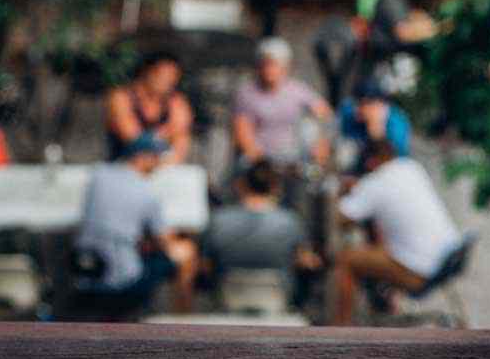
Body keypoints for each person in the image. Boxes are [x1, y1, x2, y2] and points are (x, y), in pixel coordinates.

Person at [71, 132, 198, 319]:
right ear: (142, 157)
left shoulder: (98, 175)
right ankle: (184, 320)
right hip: (122, 282)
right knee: (186, 252)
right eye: (157, 158)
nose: (159, 164)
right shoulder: (146, 193)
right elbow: (164, 242)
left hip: (83, 270)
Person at [333, 138, 461, 324]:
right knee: (378, 250)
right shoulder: (410, 167)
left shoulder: (374, 184)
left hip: (420, 269)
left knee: (346, 260)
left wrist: (352, 189)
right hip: (446, 259)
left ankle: (339, 331)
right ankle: (381, 307)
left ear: (370, 162)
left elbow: (342, 217)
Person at [204, 158, 321, 302]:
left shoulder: (218, 220)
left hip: (227, 294)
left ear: (241, 185)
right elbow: (306, 260)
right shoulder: (290, 222)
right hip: (279, 295)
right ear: (276, 187)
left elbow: (204, 264)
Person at [232, 37, 332, 167]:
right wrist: (261, 162)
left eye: (274, 64)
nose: (269, 69)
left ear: (285, 66)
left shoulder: (298, 91)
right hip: (261, 159)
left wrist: (321, 143)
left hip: (294, 158)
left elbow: (325, 115)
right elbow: (243, 132)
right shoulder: (247, 94)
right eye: (265, 63)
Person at [105, 50, 193, 164]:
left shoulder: (176, 102)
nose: (167, 82)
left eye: (172, 78)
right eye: (163, 76)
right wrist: (168, 133)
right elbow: (133, 138)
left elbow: (181, 140)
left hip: (161, 167)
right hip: (122, 167)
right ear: (147, 72)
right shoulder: (121, 97)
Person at [337, 78, 410, 170]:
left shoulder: (396, 124)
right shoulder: (349, 112)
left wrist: (376, 131)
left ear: (378, 104)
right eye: (356, 103)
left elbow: (395, 162)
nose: (357, 109)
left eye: (363, 104)